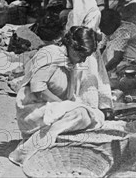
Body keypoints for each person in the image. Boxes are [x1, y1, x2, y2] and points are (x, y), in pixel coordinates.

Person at [9, 26, 105, 165]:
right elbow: (38, 89)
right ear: (71, 46)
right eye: (81, 55)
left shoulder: (68, 59)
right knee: (78, 114)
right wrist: (65, 106)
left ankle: (44, 140)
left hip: (50, 108)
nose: (83, 61)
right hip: (32, 109)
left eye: (86, 57)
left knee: (93, 115)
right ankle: (24, 152)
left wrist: (70, 105)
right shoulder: (50, 54)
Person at [64, 0, 113, 110]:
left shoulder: (93, 11)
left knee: (87, 77)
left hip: (86, 50)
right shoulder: (74, 12)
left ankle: (89, 106)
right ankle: (79, 106)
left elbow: (88, 33)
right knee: (78, 77)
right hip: (78, 49)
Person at [99, 9, 136, 77]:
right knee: (108, 48)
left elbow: (117, 58)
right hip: (133, 53)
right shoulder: (111, 28)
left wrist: (102, 71)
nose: (101, 30)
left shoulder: (123, 31)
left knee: (111, 48)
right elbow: (101, 47)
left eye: (102, 27)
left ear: (112, 25)